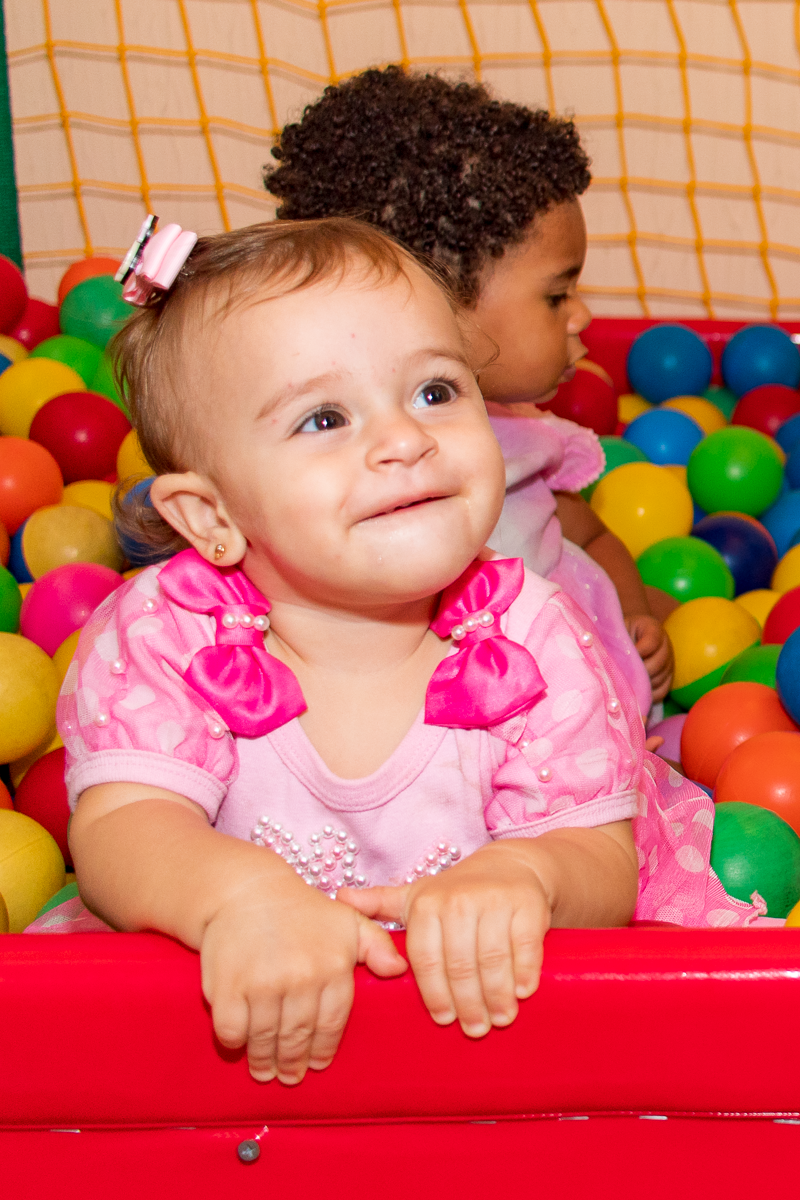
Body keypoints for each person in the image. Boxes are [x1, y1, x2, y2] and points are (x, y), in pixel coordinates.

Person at [47, 217, 760, 1094]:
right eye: (324, 417)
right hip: (244, 1029)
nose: (405, 439)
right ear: (212, 519)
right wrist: (236, 899)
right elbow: (122, 827)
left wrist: (526, 873)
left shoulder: (533, 635)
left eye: (434, 392)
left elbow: (600, 862)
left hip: (504, 1035)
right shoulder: (165, 632)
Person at [263, 66, 673, 714]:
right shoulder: (376, 472)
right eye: (556, 294)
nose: (583, 315)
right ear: (436, 304)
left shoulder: (517, 434)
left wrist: (635, 608)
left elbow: (586, 534)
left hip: (576, 684)